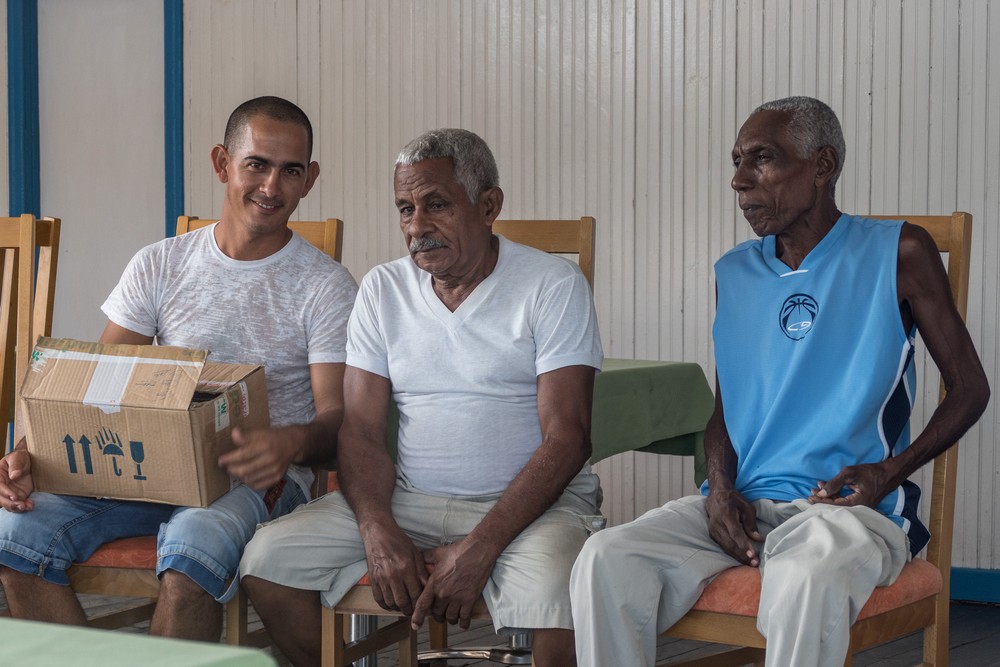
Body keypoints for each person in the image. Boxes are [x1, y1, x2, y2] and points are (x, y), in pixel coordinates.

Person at [570, 96, 990, 667]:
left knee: (804, 576)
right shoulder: (734, 271)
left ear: (822, 166)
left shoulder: (899, 251)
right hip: (744, 506)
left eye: (761, 160)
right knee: (605, 557)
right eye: (737, 162)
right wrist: (718, 491)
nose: (739, 181)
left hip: (849, 512)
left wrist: (888, 472)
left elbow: (970, 388)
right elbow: (726, 410)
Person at [240, 128, 603, 667]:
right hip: (412, 500)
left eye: (436, 205)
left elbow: (567, 439)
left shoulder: (552, 284)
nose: (417, 226)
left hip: (536, 509)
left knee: (563, 597)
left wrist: (481, 546)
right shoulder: (383, 289)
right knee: (266, 562)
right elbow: (359, 430)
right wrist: (377, 526)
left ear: (488, 205)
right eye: (405, 209)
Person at [0, 96, 358, 642]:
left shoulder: (326, 286)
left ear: (309, 180)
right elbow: (99, 390)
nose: (271, 187)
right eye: (256, 164)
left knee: (193, 547)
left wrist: (291, 442)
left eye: (290, 171)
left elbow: (339, 419)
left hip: (256, 481)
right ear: (222, 164)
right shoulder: (160, 264)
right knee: (11, 531)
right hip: (145, 470)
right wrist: (28, 455)